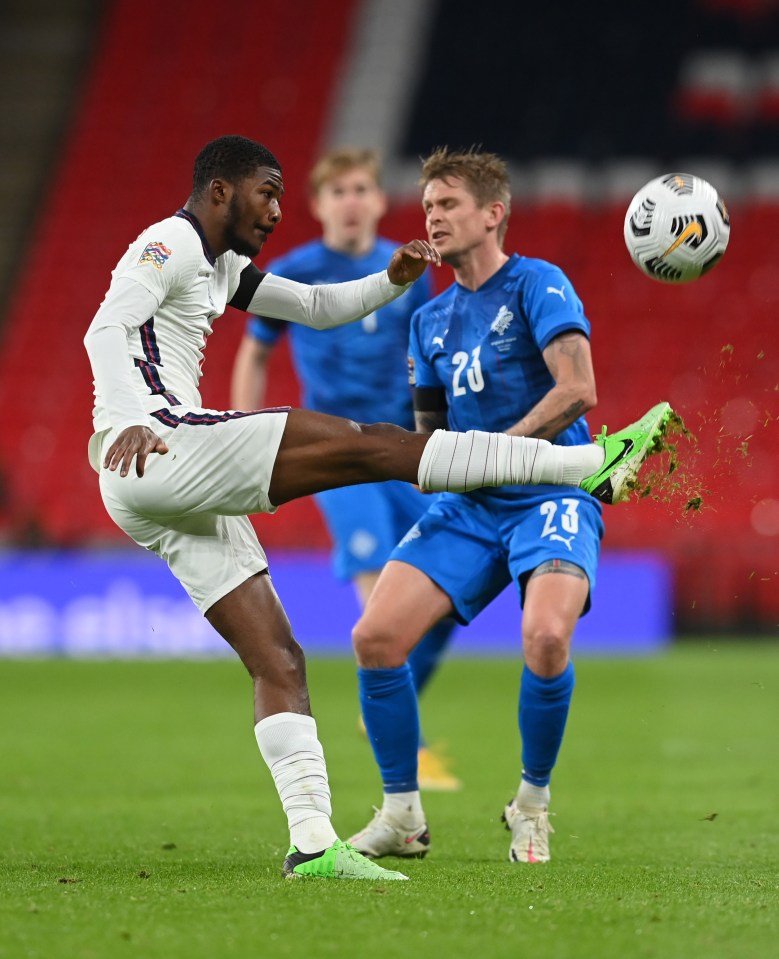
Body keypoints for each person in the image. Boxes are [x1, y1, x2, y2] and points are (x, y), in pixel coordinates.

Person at [83, 134, 669, 881]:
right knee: (369, 443)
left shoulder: (222, 266)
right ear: (221, 191)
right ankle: (589, 463)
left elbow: (320, 307)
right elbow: (105, 327)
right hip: (155, 442)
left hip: (163, 482)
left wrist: (391, 280)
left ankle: (312, 844)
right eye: (266, 193)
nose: (276, 210)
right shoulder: (168, 242)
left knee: (278, 657)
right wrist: (120, 420)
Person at [348, 147, 672, 865]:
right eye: (428, 206)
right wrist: (414, 461)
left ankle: (531, 803)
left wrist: (499, 447)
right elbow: (432, 440)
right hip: (471, 508)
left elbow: (578, 388)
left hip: (551, 495)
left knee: (546, 639)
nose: (433, 217)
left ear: (493, 213)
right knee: (374, 638)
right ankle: (401, 814)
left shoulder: (536, 284)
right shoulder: (426, 320)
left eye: (449, 204)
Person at [231, 147, 460, 790]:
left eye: (363, 188)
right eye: (340, 192)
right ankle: (404, 750)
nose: (352, 200)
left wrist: (438, 438)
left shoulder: (411, 267)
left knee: (443, 602)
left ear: (381, 201)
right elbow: (253, 354)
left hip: (405, 452)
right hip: (335, 451)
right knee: (381, 596)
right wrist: (244, 436)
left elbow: (433, 362)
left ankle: (385, 711)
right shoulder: (294, 271)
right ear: (319, 205)